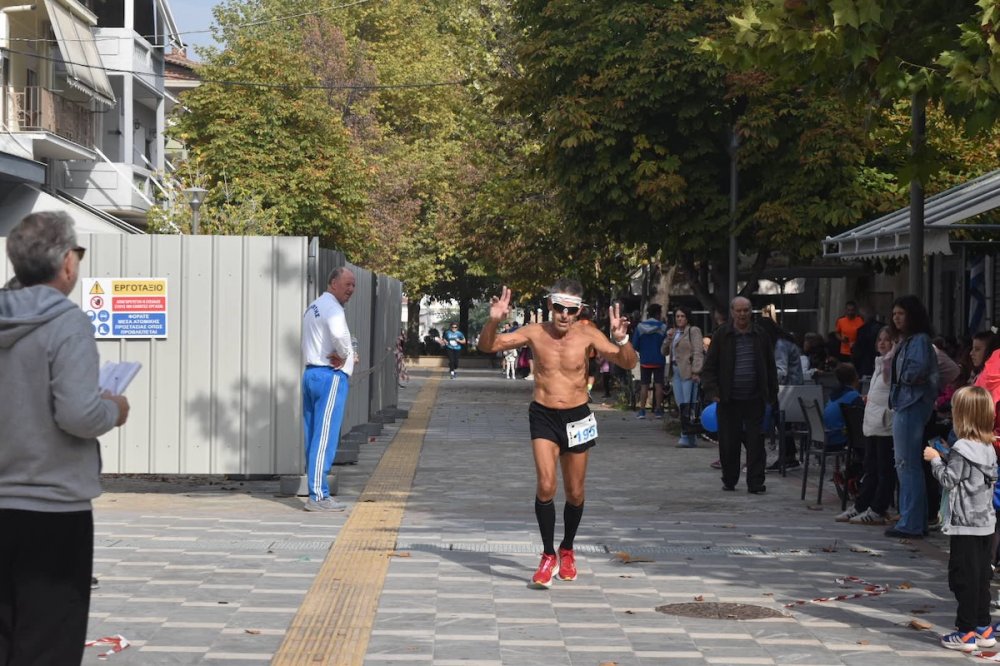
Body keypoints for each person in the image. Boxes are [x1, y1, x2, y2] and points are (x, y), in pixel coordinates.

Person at [0, 211, 130, 665]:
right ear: (67, 265)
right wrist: (114, 409)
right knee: (47, 643)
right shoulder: (66, 324)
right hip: (51, 511)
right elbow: (78, 414)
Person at [477, 279, 637, 589]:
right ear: (551, 305)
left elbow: (628, 362)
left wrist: (622, 339)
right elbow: (488, 346)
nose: (564, 315)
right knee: (546, 484)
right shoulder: (535, 333)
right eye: (559, 308)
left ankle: (567, 548)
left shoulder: (589, 334)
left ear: (579, 311)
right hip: (543, 414)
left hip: (577, 416)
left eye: (571, 310)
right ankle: (548, 554)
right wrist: (494, 319)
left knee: (575, 492)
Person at [924, 386, 998, 651]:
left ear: (962, 416)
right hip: (986, 523)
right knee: (980, 577)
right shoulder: (988, 446)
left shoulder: (962, 447)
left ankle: (965, 631)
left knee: (962, 577)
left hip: (965, 524)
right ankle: (983, 626)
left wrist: (934, 459)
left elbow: (949, 479)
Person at [700, 296, 778, 494]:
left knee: (756, 443)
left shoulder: (760, 335)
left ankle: (756, 482)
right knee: (728, 442)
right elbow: (709, 367)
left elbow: (770, 366)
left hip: (755, 398)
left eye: (746, 310)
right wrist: (713, 391)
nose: (742, 314)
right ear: (732, 312)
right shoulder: (722, 335)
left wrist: (771, 393)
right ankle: (730, 478)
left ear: (751, 312)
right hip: (728, 399)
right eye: (739, 311)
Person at [301, 266, 357, 512]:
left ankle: (316, 489)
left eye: (353, 285)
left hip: (311, 373)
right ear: (333, 283)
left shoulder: (313, 306)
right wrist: (346, 355)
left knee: (313, 435)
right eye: (347, 284)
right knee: (325, 437)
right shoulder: (333, 308)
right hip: (329, 376)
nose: (351, 290)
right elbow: (339, 337)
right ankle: (319, 495)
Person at [886, 294, 939, 538]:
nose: (897, 318)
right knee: (907, 464)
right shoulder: (909, 341)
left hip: (911, 403)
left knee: (906, 464)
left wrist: (905, 378)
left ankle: (911, 522)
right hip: (906, 403)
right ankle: (915, 518)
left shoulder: (918, 341)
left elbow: (915, 371)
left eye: (901, 314)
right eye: (894, 314)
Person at [838, 327, 897, 525]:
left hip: (885, 423)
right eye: (880, 339)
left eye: (887, 340)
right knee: (870, 467)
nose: (882, 343)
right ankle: (862, 505)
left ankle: (878, 508)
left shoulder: (889, 363)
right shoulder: (878, 364)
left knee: (883, 469)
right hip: (872, 422)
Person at [662, 306, 704, 447]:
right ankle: (689, 434)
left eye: (682, 316)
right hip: (675, 371)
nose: (680, 319)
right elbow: (663, 351)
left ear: (687, 318)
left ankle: (686, 435)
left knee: (688, 404)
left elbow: (698, 351)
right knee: (681, 404)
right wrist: (668, 338)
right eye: (677, 316)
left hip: (688, 371)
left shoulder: (693, 331)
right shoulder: (674, 333)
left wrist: (696, 371)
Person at [632, 303, 668, 419]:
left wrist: (643, 350)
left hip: (645, 360)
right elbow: (666, 344)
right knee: (658, 385)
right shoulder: (663, 327)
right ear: (658, 314)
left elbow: (635, 345)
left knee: (644, 385)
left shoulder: (640, 327)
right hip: (659, 360)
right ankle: (658, 410)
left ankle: (642, 410)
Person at [851, 305, 883, 378]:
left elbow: (858, 352)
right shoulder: (883, 328)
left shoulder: (862, 331)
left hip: (865, 365)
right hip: (881, 363)